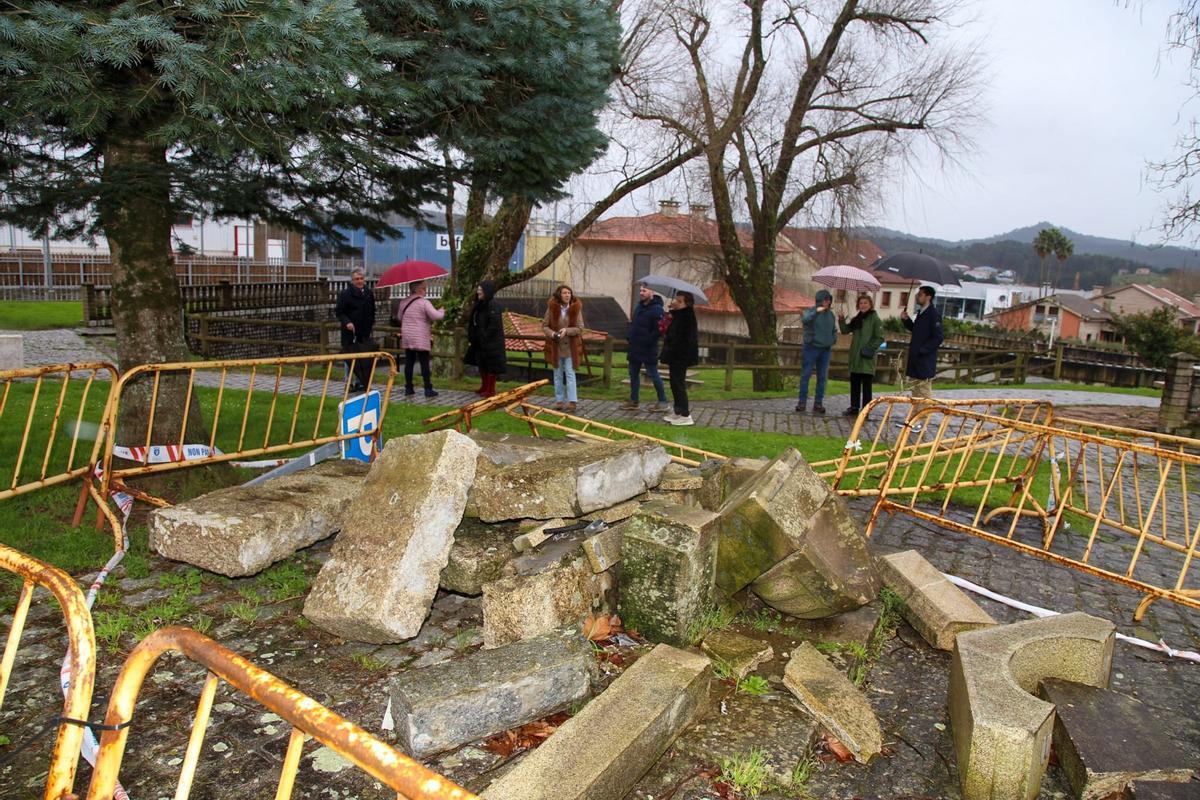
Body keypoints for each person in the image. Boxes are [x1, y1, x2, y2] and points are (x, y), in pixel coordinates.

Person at [392, 280, 445, 398]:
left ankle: (409, 387)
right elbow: (436, 316)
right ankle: (428, 388)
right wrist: (442, 310)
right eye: (424, 288)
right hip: (420, 336)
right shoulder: (424, 303)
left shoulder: (404, 302)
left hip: (408, 336)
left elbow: (400, 317)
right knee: (424, 362)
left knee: (409, 362)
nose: (425, 290)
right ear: (418, 289)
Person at [622, 283, 669, 413]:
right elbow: (634, 324)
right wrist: (630, 336)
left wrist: (648, 340)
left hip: (648, 348)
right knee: (633, 374)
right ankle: (634, 400)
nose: (641, 293)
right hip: (635, 347)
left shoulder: (657, 310)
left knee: (653, 374)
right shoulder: (639, 307)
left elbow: (659, 330)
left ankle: (663, 401)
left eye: (644, 290)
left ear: (652, 292)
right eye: (641, 290)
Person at [838, 293, 885, 416]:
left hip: (866, 358)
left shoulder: (875, 319)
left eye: (865, 303)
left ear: (870, 304)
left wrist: (868, 348)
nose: (863, 305)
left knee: (866, 386)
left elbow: (880, 338)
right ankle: (854, 407)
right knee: (855, 384)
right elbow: (845, 330)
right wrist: (841, 319)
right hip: (855, 357)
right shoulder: (857, 319)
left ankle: (866, 410)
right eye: (861, 303)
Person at [542, 285, 585, 412]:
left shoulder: (576, 308)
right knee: (557, 374)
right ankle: (559, 400)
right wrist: (553, 334)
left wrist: (567, 330)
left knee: (570, 374)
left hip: (571, 348)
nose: (567, 295)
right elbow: (544, 326)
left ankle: (572, 401)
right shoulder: (552, 308)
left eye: (569, 293)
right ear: (559, 295)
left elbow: (580, 328)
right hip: (556, 346)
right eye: (564, 293)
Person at [659, 291, 699, 427]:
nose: (675, 302)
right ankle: (678, 411)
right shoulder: (678, 315)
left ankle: (685, 415)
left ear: (685, 304)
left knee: (678, 384)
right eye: (675, 299)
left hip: (680, 356)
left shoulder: (687, 317)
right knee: (674, 384)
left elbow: (684, 339)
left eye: (678, 301)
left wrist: (674, 349)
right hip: (675, 355)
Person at [795, 289, 837, 414]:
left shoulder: (830, 315)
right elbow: (805, 320)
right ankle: (802, 402)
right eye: (825, 299)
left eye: (829, 300)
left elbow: (833, 330)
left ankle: (818, 403)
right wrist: (816, 312)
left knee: (822, 377)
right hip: (811, 348)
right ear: (819, 300)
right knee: (806, 375)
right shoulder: (811, 311)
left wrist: (833, 339)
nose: (827, 302)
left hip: (825, 349)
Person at [463, 280, 506, 397]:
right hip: (480, 342)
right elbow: (474, 321)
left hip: (491, 342)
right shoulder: (479, 305)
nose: (478, 292)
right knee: (482, 364)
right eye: (478, 289)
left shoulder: (493, 305)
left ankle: (490, 389)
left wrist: (485, 336)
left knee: (491, 366)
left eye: (480, 290)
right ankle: (484, 386)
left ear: (487, 291)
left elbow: (494, 324)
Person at [335, 268, 376, 391]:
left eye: (361, 278)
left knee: (363, 357)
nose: (359, 281)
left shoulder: (368, 293)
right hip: (350, 331)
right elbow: (339, 312)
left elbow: (372, 309)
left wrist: (371, 322)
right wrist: (347, 322)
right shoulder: (346, 294)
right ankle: (349, 382)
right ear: (352, 281)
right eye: (357, 279)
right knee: (350, 357)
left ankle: (361, 381)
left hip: (364, 331)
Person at [901, 285, 944, 399]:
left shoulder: (933, 315)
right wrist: (906, 320)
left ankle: (925, 416)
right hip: (915, 358)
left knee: (924, 390)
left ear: (928, 297)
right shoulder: (921, 313)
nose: (917, 297)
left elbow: (938, 337)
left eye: (920, 295)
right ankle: (916, 414)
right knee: (915, 390)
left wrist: (923, 350)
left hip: (924, 359)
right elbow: (917, 331)